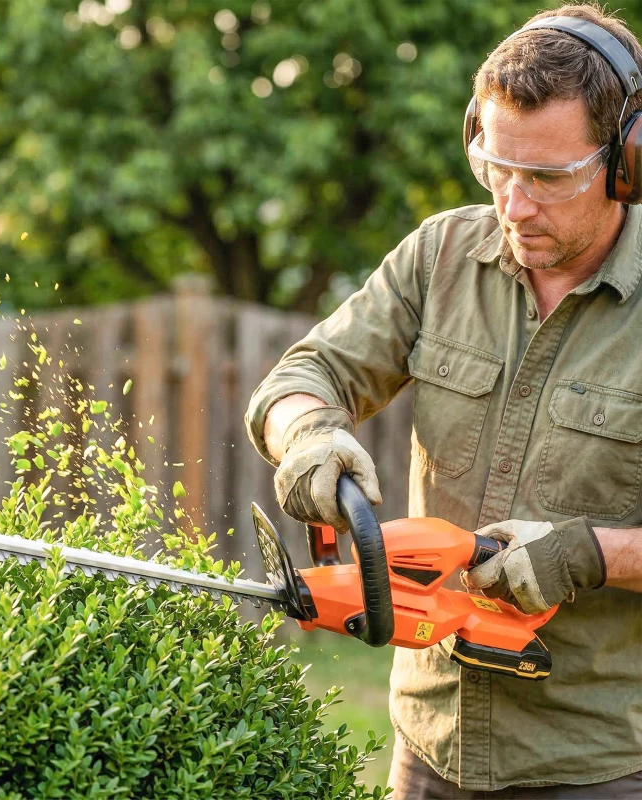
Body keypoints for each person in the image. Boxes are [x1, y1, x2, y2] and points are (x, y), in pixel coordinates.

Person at [244, 4, 642, 798]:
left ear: (628, 160)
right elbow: (303, 375)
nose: (514, 205)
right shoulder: (442, 256)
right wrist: (310, 436)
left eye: (548, 178)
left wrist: (590, 555)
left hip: (601, 763)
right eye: (496, 167)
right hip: (430, 744)